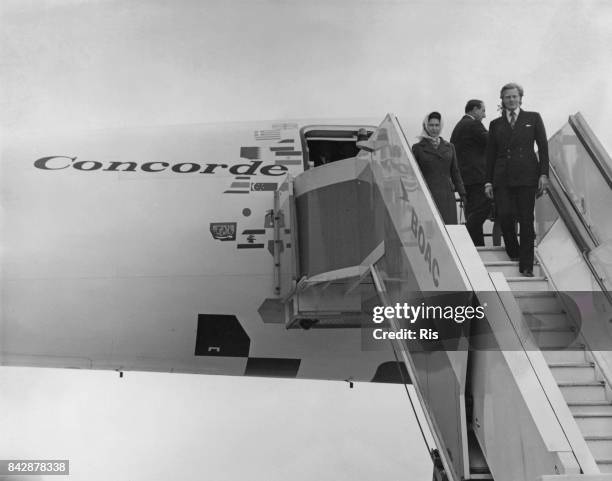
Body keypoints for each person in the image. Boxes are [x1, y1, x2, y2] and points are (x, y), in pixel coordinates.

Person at [484, 83, 549, 276]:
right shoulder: (495, 124)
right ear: (502, 100)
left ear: (520, 98)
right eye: (507, 97)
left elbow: (543, 148)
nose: (511, 100)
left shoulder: (533, 118)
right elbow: (490, 155)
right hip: (502, 177)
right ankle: (513, 251)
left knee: (527, 220)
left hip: (527, 175)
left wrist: (544, 174)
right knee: (504, 215)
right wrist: (488, 181)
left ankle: (526, 265)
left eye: (514, 96)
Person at [412, 111, 466, 224]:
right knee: (430, 229)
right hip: (427, 195)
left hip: (446, 194)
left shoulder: (450, 147)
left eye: (437, 125)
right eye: (431, 125)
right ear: (426, 126)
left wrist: (462, 194)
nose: (434, 128)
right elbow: (414, 174)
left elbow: (455, 172)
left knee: (448, 227)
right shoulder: (418, 148)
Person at [450, 99, 490, 245]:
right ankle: (463, 233)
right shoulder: (474, 124)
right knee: (486, 206)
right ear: (474, 109)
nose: (484, 115)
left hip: (464, 179)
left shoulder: (458, 126)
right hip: (477, 177)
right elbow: (491, 141)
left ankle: (477, 246)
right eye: (483, 110)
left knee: (472, 212)